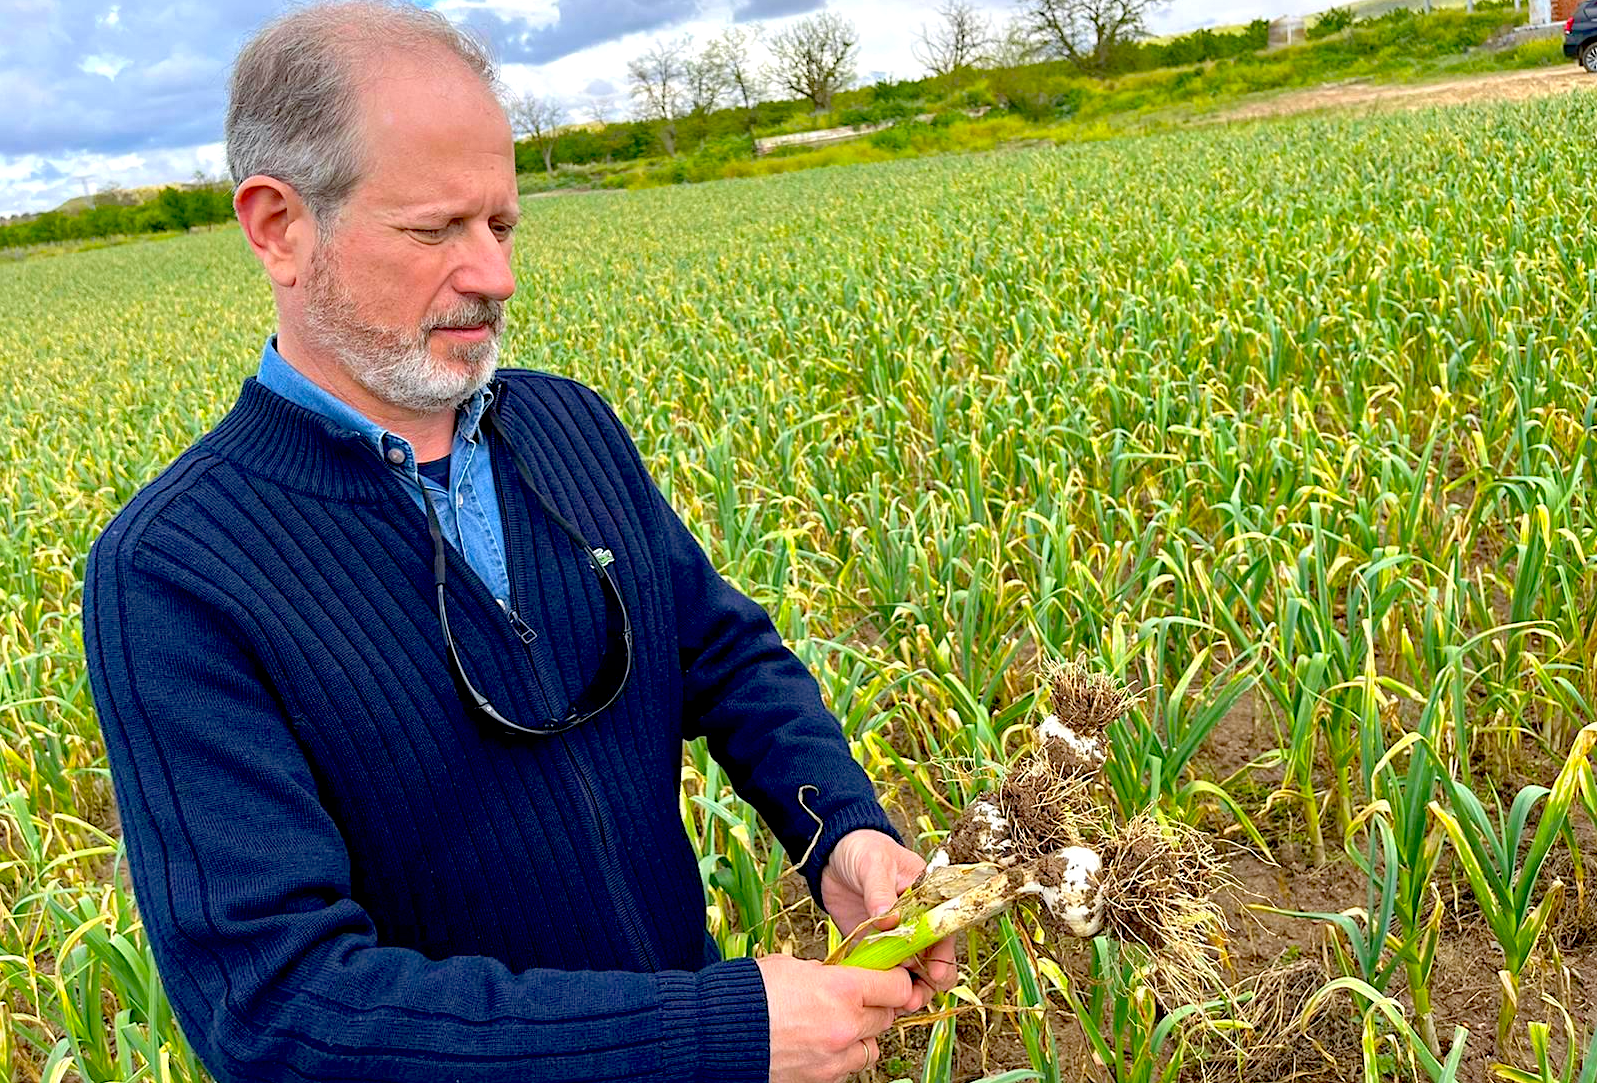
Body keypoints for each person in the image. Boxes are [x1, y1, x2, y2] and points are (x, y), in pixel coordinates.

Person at [81, 4, 955, 1082]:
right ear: (278, 226)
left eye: (501, 225)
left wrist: (840, 832)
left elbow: (722, 656)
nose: (493, 275)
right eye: (436, 230)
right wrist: (707, 1034)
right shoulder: (173, 571)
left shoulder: (566, 424)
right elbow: (280, 1011)